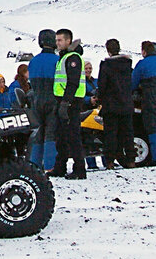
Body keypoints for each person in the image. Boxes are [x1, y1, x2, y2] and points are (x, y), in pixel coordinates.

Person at [49, 29, 89, 179]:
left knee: (73, 136)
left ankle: (79, 169)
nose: (57, 43)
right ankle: (60, 167)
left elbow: (73, 83)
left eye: (60, 40)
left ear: (68, 41)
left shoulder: (73, 58)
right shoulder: (64, 57)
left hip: (71, 102)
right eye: (56, 40)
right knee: (61, 137)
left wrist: (66, 103)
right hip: (63, 101)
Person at [97, 38, 136, 169]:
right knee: (128, 134)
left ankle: (110, 161)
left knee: (110, 135)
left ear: (108, 50)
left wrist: (100, 99)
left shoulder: (106, 66)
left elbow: (102, 86)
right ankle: (131, 160)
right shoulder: (127, 64)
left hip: (110, 105)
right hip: (126, 104)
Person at [27, 29, 62, 171]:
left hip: (36, 101)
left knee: (38, 134)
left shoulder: (33, 61)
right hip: (52, 100)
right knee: (51, 134)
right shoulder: (57, 61)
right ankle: (50, 166)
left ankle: (34, 166)